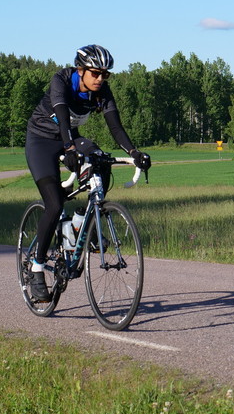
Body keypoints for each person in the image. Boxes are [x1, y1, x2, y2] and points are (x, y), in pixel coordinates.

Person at [24, 45, 151, 302]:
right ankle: (37, 267)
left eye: (105, 74)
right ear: (81, 70)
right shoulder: (62, 80)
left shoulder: (102, 91)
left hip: (71, 139)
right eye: (95, 73)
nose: (100, 79)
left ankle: (82, 222)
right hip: (41, 141)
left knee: (100, 161)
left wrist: (134, 152)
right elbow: (62, 113)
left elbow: (115, 127)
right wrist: (69, 148)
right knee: (54, 203)